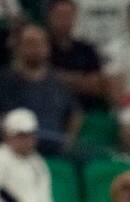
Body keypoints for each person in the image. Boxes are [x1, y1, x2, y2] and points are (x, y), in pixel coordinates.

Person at [0, 24, 82, 155]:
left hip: (55, 151)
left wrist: (68, 141)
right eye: (30, 43)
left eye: (40, 43)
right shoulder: (5, 80)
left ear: (48, 47)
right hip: (16, 153)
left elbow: (75, 114)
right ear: (18, 47)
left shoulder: (58, 82)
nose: (36, 48)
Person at [46, 0, 109, 111]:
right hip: (51, 108)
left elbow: (97, 86)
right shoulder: (43, 47)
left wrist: (61, 78)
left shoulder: (87, 49)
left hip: (85, 108)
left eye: (68, 15)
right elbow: (41, 79)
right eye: (60, 15)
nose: (64, 20)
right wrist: (80, 80)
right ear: (50, 17)